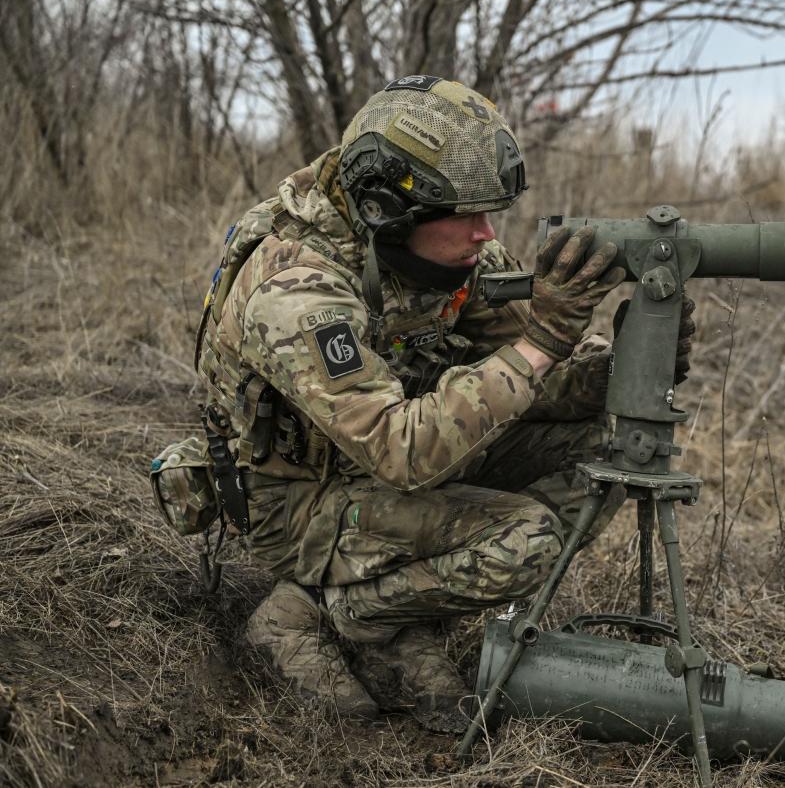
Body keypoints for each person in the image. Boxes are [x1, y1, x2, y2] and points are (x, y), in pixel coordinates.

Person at [169, 76, 694, 729]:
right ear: (392, 207)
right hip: (297, 499)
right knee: (525, 541)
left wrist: (622, 367)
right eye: (469, 215)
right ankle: (334, 610)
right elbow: (404, 449)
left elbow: (522, 380)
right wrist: (544, 339)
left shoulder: (449, 254)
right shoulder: (296, 285)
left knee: (612, 448)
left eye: (490, 213)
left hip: (386, 467)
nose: (486, 234)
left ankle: (387, 613)